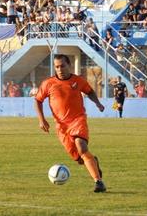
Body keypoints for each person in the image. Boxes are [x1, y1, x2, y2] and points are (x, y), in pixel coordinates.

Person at [34, 54, 106, 193]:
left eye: (62, 66)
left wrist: (97, 103)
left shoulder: (78, 81)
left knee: (81, 146)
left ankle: (99, 182)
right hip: (62, 126)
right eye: (57, 67)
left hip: (78, 120)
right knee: (80, 158)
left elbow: (90, 92)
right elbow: (38, 100)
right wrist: (41, 119)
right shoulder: (48, 83)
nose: (59, 69)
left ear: (69, 65)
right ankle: (93, 162)